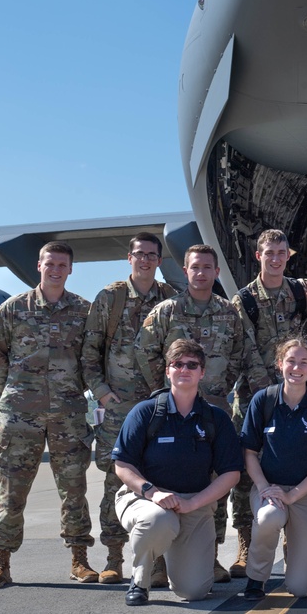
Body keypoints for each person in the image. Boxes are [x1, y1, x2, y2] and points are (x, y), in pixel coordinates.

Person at [0, 241, 97, 589]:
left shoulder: (84, 311)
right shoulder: (14, 308)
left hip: (69, 415)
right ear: (39, 266)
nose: (56, 269)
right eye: (50, 263)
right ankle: (1, 563)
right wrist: (13, 392)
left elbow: (93, 356)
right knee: (11, 493)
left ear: (71, 269)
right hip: (19, 416)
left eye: (62, 264)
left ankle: (79, 560)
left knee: (74, 490)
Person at [231, 229, 307, 579]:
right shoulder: (245, 299)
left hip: (296, 394)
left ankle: (294, 539)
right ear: (258, 256)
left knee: (298, 460)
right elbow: (246, 350)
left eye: (282, 253)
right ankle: (247, 542)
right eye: (270, 253)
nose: (276, 258)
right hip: (258, 397)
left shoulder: (297, 289)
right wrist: (272, 393)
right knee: (247, 475)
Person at [134, 243, 245, 583]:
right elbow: (145, 352)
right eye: (195, 267)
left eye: (207, 267)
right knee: (165, 478)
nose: (201, 273)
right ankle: (157, 563)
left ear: (216, 272)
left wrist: (212, 391)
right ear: (186, 271)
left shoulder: (229, 313)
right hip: (170, 412)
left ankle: (209, 557)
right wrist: (171, 390)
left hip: (212, 412)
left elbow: (239, 356)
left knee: (213, 484)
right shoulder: (166, 311)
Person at [112, 339, 243, 606]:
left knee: (194, 591)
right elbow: (122, 465)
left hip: (193, 504)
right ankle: (140, 580)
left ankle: (174, 557)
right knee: (160, 521)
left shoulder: (215, 419)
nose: (184, 369)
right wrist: (153, 492)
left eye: (192, 365)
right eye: (177, 364)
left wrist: (193, 503)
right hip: (145, 499)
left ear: (202, 372)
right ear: (167, 371)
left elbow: (231, 473)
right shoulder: (146, 412)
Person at [81, 232, 177, 585]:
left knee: (161, 478)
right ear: (129, 257)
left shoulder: (170, 298)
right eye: (140, 254)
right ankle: (113, 557)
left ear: (159, 260)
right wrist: (103, 394)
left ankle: (158, 561)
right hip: (119, 408)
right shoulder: (111, 298)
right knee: (114, 481)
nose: (146, 260)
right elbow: (90, 353)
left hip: (158, 406)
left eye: (152, 255)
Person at [240, 338, 307, 600]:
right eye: (291, 361)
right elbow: (249, 453)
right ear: (279, 364)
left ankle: (295, 557)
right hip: (269, 488)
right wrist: (265, 489)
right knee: (268, 518)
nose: (296, 368)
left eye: (303, 363)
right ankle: (256, 578)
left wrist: (292, 496)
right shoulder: (264, 400)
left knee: (300, 588)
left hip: (306, 493)